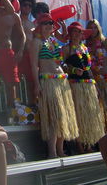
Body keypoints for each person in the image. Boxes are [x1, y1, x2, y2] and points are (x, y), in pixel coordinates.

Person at [29, 13, 78, 158]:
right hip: (47, 80)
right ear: (39, 26)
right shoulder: (36, 42)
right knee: (53, 117)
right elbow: (33, 66)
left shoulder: (53, 41)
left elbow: (63, 47)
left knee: (62, 115)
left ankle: (60, 150)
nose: (48, 26)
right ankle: (52, 152)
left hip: (61, 80)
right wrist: (36, 85)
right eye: (45, 23)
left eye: (50, 23)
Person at [62, 22, 105, 148]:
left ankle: (91, 142)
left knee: (91, 113)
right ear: (70, 34)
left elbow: (89, 68)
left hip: (89, 85)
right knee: (79, 114)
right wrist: (73, 70)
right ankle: (80, 145)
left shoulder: (85, 49)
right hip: (75, 85)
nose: (77, 34)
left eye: (79, 32)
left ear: (82, 35)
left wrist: (95, 85)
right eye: (74, 31)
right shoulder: (66, 49)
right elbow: (61, 65)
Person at [16, 0, 36, 104]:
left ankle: (31, 108)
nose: (27, 7)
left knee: (31, 83)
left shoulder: (32, 24)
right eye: (25, 5)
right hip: (18, 54)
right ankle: (19, 110)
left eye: (30, 5)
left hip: (30, 56)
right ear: (20, 5)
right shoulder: (15, 19)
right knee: (17, 83)